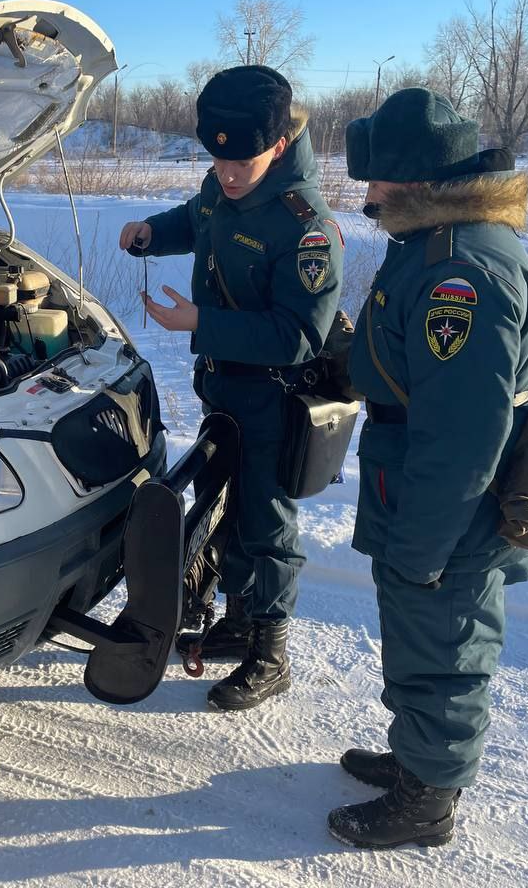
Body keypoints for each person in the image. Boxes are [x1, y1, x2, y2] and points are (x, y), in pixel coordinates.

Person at [327, 87, 528, 849]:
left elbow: (462, 434)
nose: (368, 192)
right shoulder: (434, 242)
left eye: (378, 178)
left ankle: (428, 802)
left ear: (417, 182)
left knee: (447, 640)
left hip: (446, 501)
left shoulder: (460, 272)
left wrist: (423, 542)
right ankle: (420, 757)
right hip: (419, 485)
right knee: (423, 634)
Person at [119, 65, 343, 711]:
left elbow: (298, 335)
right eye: (217, 161)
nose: (228, 173)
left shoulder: (306, 226)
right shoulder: (223, 184)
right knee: (229, 510)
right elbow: (198, 219)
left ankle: (271, 655)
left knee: (267, 523)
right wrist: (151, 236)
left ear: (278, 145)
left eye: (241, 161)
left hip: (274, 396)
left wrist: (201, 322)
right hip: (224, 389)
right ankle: (240, 623)